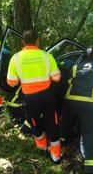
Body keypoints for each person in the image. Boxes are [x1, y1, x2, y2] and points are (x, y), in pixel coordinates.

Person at [7, 30, 62, 163]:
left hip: (30, 98)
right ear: (38, 41)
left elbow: (11, 82)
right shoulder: (46, 56)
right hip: (47, 96)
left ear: (23, 42)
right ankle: (56, 156)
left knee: (34, 122)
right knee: (52, 124)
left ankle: (42, 146)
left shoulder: (16, 58)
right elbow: (57, 78)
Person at [60, 47, 93, 174]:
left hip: (70, 101)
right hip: (89, 103)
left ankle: (55, 151)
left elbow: (68, 82)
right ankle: (92, 168)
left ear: (85, 56)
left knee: (64, 126)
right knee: (90, 134)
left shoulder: (76, 67)